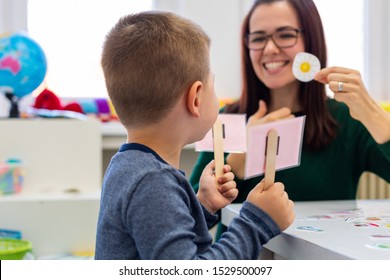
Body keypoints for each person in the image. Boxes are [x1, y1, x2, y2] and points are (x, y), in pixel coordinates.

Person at [94, 11, 295, 260]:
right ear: (196, 98)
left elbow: (157, 239)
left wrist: (202, 206)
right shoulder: (153, 181)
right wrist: (257, 221)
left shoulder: (129, 167)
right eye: (213, 84)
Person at [190, 0, 390, 240]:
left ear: (311, 40)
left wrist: (374, 114)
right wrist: (241, 158)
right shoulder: (226, 119)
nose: (270, 49)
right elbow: (188, 219)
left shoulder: (346, 119)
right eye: (258, 38)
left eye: (285, 35)